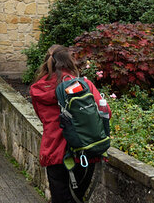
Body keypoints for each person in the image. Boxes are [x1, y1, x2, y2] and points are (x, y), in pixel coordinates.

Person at [30, 45, 111, 203]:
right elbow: (105, 112)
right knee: (76, 198)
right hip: (84, 152)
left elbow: (44, 119)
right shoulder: (83, 85)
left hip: (55, 152)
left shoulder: (39, 89)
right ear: (70, 61)